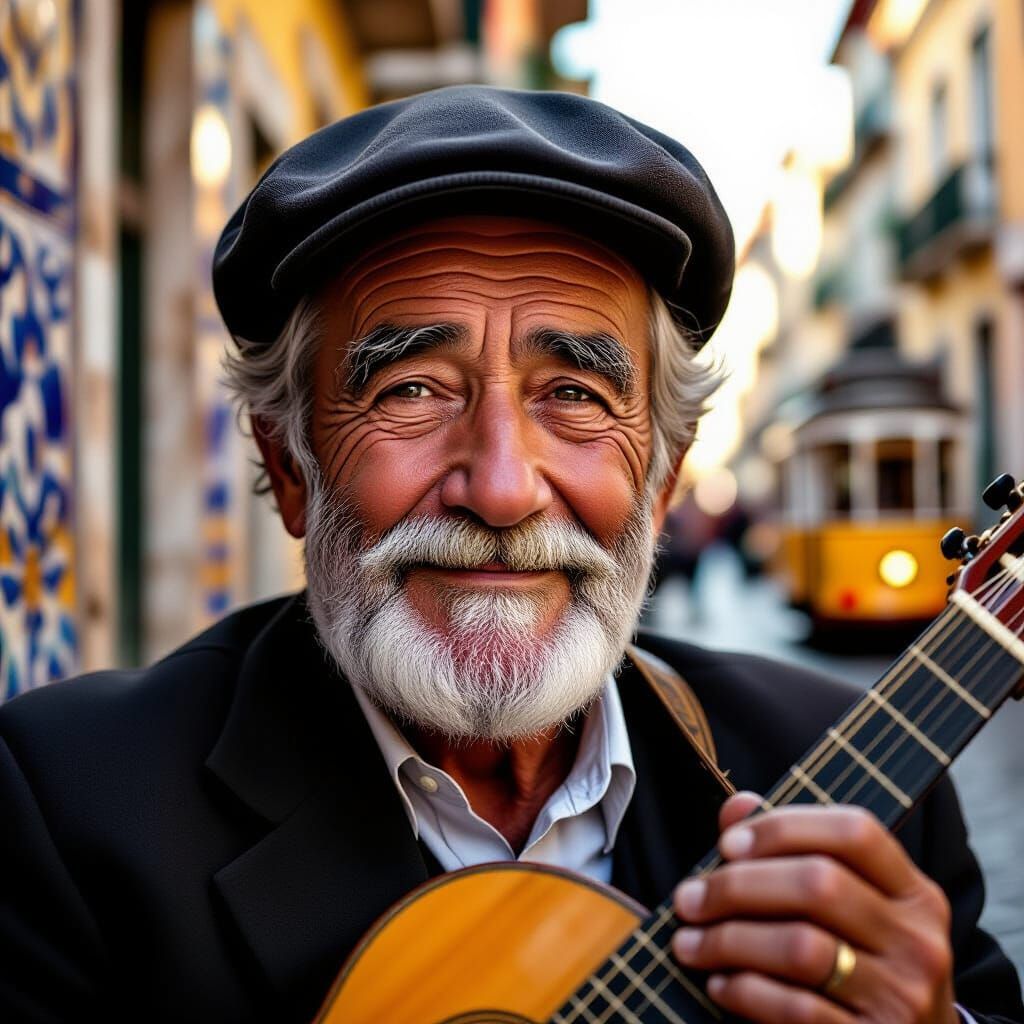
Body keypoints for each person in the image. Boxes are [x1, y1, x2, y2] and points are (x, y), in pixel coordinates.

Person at [0, 86, 1020, 1024]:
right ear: (293, 464)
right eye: (409, 389)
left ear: (662, 478)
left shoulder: (858, 781)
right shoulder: (69, 807)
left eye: (574, 394)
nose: (499, 487)